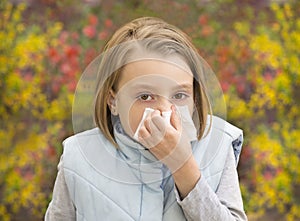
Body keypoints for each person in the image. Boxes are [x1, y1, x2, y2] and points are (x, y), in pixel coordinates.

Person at [45, 17, 247, 221]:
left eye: (179, 96)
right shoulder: (78, 156)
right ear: (113, 101)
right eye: (145, 97)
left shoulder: (219, 144)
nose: (163, 111)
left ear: (194, 97)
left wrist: (183, 166)